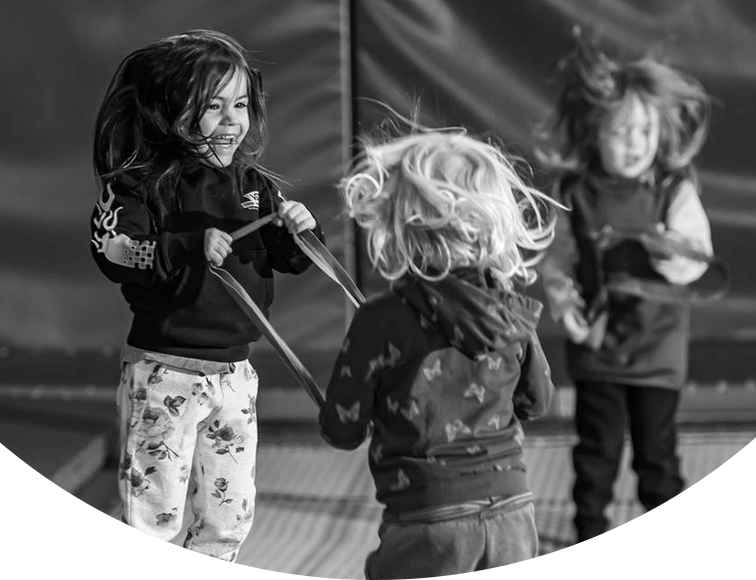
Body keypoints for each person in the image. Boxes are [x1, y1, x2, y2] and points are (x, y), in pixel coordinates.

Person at [89, 29, 322, 560]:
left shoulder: (254, 184)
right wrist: (184, 247)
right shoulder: (139, 185)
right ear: (169, 112)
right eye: (213, 107)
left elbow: (290, 258)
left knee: (229, 518)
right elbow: (113, 252)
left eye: (240, 104)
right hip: (163, 373)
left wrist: (300, 232)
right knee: (152, 515)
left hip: (235, 376)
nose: (232, 120)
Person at [319, 128, 561, 578]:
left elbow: (342, 428)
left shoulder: (379, 320)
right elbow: (538, 402)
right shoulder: (511, 313)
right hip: (513, 509)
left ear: (397, 224)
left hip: (426, 516)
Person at [536, 27, 715, 543]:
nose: (635, 143)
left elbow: (697, 255)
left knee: (657, 455)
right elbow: (558, 262)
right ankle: (589, 527)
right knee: (597, 452)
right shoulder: (576, 191)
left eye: (644, 130)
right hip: (599, 347)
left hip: (658, 348)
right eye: (620, 132)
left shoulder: (673, 189)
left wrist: (672, 252)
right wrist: (566, 306)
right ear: (594, 132)